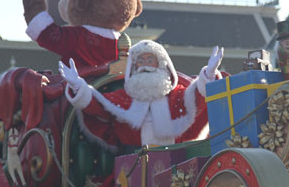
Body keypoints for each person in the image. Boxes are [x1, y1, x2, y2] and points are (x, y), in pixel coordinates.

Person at [59, 40, 223, 147]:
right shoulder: (123, 97)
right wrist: (78, 87)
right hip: (132, 167)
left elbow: (197, 100)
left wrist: (207, 75)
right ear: (134, 67)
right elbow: (98, 106)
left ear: (161, 64)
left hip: (177, 164)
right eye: (140, 61)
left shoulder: (177, 96)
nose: (145, 65)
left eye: (150, 60)